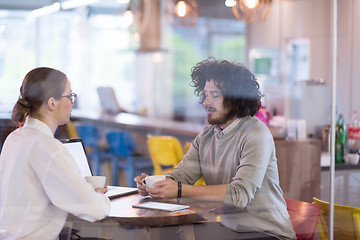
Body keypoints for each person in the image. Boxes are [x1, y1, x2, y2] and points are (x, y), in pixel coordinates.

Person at [135, 58, 296, 239]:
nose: (206, 101)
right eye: (205, 94)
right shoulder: (207, 135)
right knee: (167, 234)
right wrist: (157, 185)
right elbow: (182, 176)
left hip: (268, 233)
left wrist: (179, 190)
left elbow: (240, 194)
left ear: (236, 99)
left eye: (215, 95)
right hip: (231, 230)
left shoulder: (256, 133)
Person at [0, 67, 110, 239]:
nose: (73, 102)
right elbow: (95, 210)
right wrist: (97, 197)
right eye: (70, 96)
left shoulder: (14, 139)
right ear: (52, 103)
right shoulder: (49, 147)